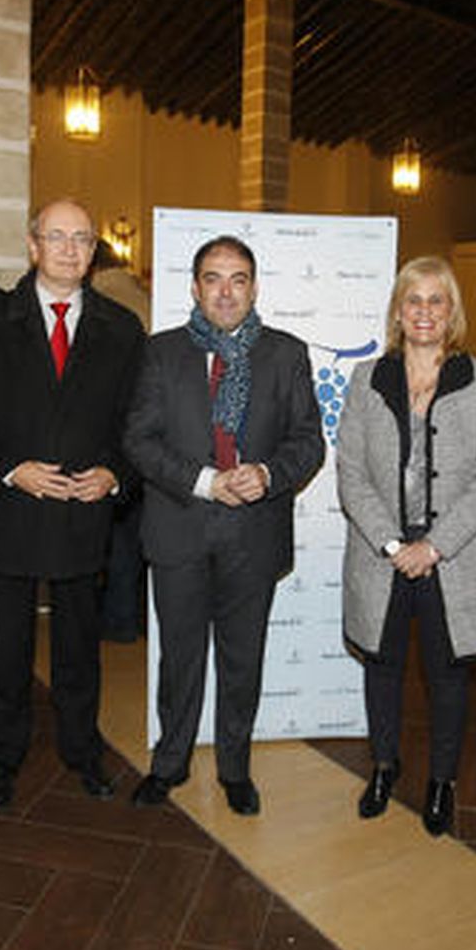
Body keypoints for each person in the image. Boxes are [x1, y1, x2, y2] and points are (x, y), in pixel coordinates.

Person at [0, 198, 145, 813]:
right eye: (56, 237)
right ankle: (1, 761)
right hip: (13, 508)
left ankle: (82, 752)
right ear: (32, 246)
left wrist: (114, 474)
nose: (69, 250)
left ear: (93, 251)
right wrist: (10, 469)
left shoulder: (120, 328)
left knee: (79, 648)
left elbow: (138, 419)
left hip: (84, 510)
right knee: (6, 651)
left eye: (81, 239)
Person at [123, 235, 324, 816]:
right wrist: (207, 481)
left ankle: (235, 768)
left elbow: (308, 440)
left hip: (253, 535)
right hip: (179, 529)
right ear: (195, 288)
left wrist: (268, 473)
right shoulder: (161, 353)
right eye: (213, 279)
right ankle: (170, 762)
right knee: (179, 658)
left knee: (242, 660)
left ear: (254, 288)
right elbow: (139, 439)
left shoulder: (286, 354)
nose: (226, 292)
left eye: (238, 279)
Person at [337, 256, 476, 836]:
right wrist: (394, 545)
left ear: (452, 311)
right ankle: (384, 767)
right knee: (382, 665)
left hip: (453, 557)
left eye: (437, 300)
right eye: (414, 299)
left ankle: (442, 781)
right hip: (381, 555)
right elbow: (351, 472)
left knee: (446, 673)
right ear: (397, 310)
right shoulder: (368, 378)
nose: (425, 311)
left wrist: (433, 546)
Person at [91, 237, 150, 644]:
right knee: (136, 534)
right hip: (152, 431)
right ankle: (133, 616)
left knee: (119, 538)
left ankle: (119, 618)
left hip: (117, 434)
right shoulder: (143, 297)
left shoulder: (100, 304)